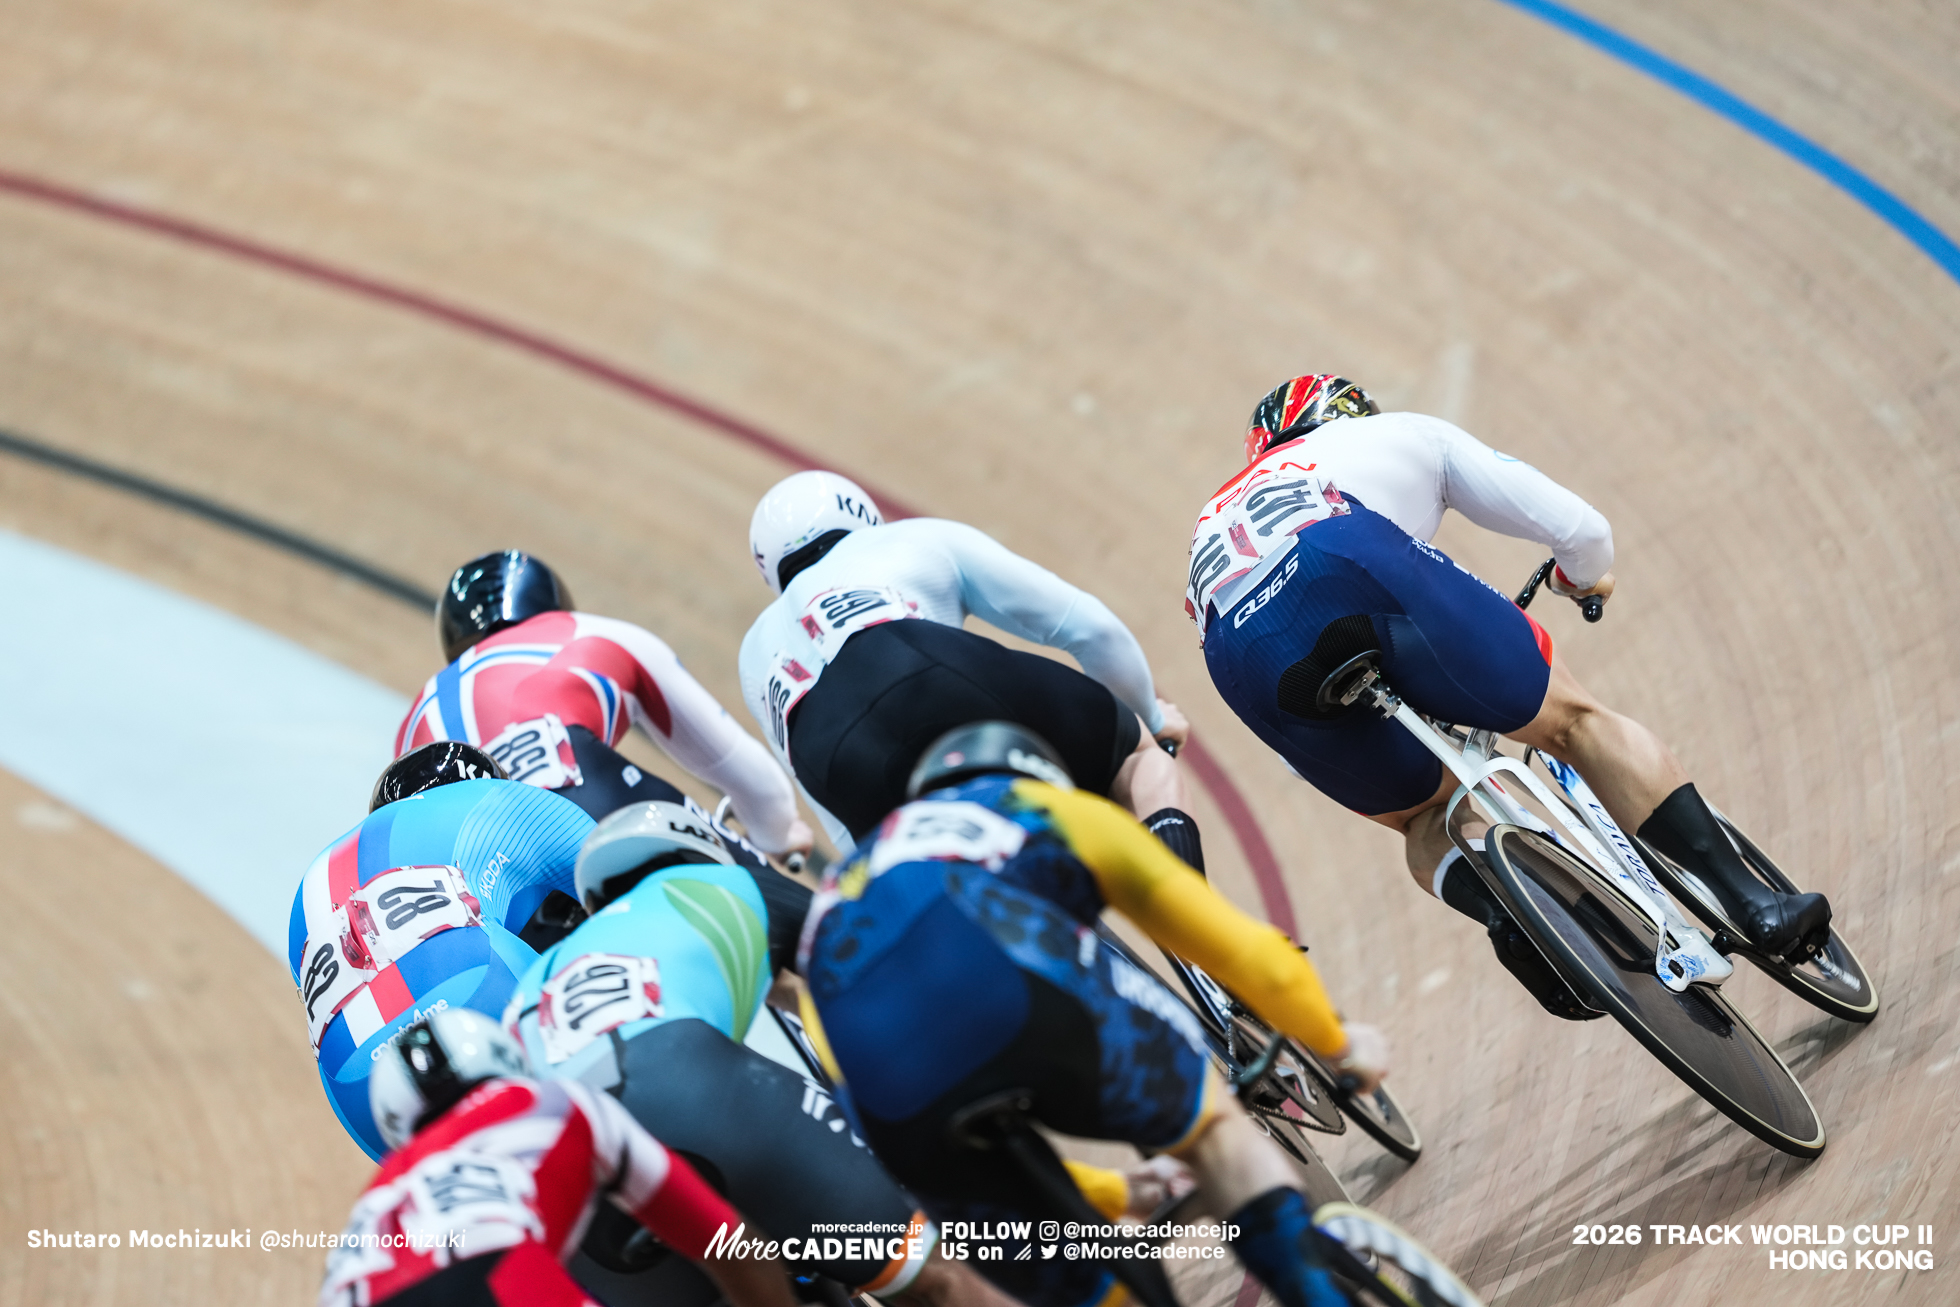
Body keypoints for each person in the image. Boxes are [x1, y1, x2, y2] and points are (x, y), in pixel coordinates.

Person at [1186, 374, 1831, 1016]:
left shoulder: (1213, 519)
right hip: (1341, 557)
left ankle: (1514, 922)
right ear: (1346, 415)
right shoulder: (1392, 435)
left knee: (1422, 821)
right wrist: (1579, 579)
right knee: (1575, 725)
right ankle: (1755, 905)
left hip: (1241, 658)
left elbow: (1291, 755)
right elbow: (1582, 530)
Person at [799, 721, 1390, 1307]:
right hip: (1031, 1004)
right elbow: (1246, 953)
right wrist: (1337, 1043)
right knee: (1214, 1134)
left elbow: (869, 1120)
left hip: (892, 1097)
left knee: (1088, 1289)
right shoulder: (1034, 803)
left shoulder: (839, 891)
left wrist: (1115, 1193)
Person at [499, 799, 1021, 1307]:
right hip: (689, 1087)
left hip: (571, 1174)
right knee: (934, 1278)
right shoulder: (719, 884)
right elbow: (877, 965)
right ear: (701, 850)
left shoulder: (534, 983)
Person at [737, 471, 1204, 873]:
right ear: (863, 516)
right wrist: (1151, 722)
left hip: (837, 761)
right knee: (1135, 761)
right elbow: (1090, 629)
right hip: (922, 670)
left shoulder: (753, 652)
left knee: (950, 892)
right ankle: (1200, 944)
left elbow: (835, 820)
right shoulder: (906, 539)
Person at [320, 1006, 796, 1307]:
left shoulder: (378, 1193)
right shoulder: (557, 1102)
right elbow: (728, 1244)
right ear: (507, 1060)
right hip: (494, 1271)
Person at [291, 741, 594, 1158]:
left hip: (368, 1093)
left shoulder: (311, 887)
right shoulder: (501, 803)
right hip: (486, 997)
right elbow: (654, 887)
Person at [401, 550, 811, 856]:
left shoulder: (415, 718)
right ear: (554, 605)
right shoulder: (596, 633)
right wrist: (777, 834)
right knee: (773, 910)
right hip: (589, 798)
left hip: (477, 863)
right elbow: (744, 771)